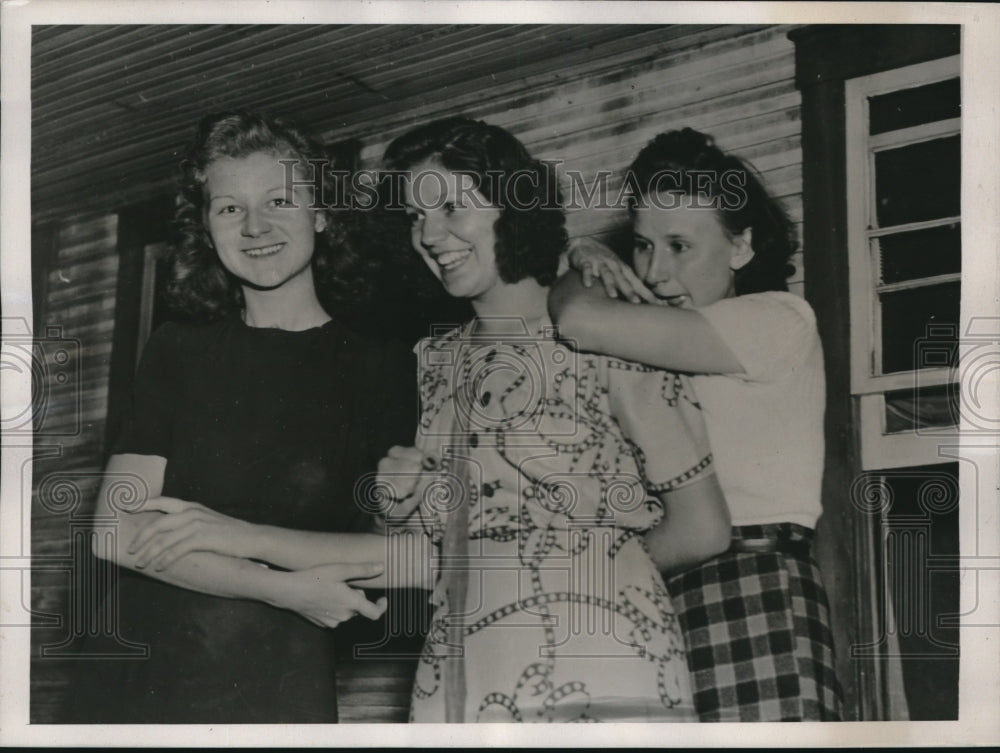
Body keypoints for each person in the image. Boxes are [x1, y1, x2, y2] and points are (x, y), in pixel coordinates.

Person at [126, 116, 733, 723]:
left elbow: (702, 529)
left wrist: (574, 578)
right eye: (417, 217)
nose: (432, 234)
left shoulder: (604, 334)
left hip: (597, 653)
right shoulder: (434, 363)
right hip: (462, 660)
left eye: (451, 208)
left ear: (509, 203)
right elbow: (419, 561)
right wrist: (388, 509)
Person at [65, 111, 416, 723]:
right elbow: (115, 532)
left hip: (277, 679)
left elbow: (408, 555)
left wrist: (235, 542)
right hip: (139, 672)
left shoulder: (383, 367)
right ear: (205, 226)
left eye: (280, 199)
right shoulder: (178, 350)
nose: (255, 226)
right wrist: (282, 586)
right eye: (229, 208)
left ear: (322, 212)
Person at [547, 127, 843, 721]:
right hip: (663, 582)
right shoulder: (653, 351)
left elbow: (578, 316)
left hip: (757, 585)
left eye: (680, 246)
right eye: (641, 245)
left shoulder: (778, 319)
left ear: (741, 247)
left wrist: (584, 255)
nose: (655, 272)